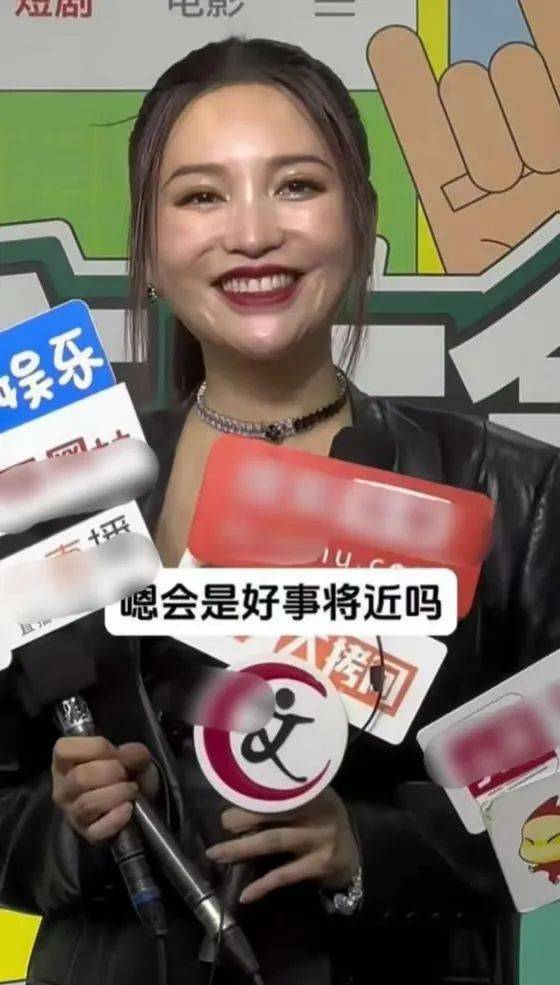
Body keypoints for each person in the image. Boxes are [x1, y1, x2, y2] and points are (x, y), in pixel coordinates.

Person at [1, 34, 560, 985]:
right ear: (148, 248)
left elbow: (548, 810)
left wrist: (370, 848)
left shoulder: (508, 490)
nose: (253, 233)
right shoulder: (54, 486)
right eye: (201, 196)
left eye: (297, 185)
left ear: (362, 220)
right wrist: (73, 827)